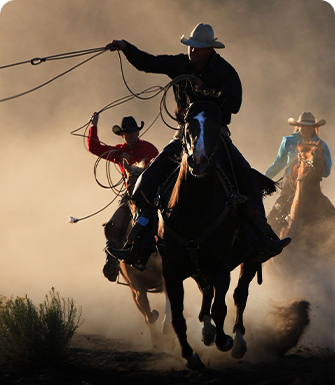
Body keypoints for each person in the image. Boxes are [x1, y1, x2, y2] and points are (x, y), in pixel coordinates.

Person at [105, 23, 291, 269]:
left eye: (199, 48)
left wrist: (208, 91)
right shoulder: (180, 64)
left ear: (210, 50)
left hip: (217, 137)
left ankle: (262, 238)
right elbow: (148, 62)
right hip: (183, 135)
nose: (193, 51)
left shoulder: (225, 72)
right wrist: (126, 48)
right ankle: (140, 243)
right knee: (147, 180)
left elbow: (234, 103)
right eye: (191, 47)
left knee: (248, 179)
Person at [88, 112, 159, 281]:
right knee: (113, 226)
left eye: (133, 133)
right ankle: (111, 262)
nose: (131, 136)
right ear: (122, 135)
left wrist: (131, 158)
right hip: (129, 195)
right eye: (127, 134)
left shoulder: (149, 149)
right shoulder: (119, 151)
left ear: (138, 133)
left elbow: (155, 166)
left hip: (150, 193)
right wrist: (94, 125)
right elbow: (95, 148)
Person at [265, 111, 331, 227]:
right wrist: (264, 179)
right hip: (289, 186)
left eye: (309, 126)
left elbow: (326, 172)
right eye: (303, 125)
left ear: (314, 127)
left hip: (313, 187)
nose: (306, 128)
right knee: (272, 218)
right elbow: (279, 162)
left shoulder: (321, 145)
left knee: (332, 215)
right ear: (299, 126)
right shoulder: (288, 141)